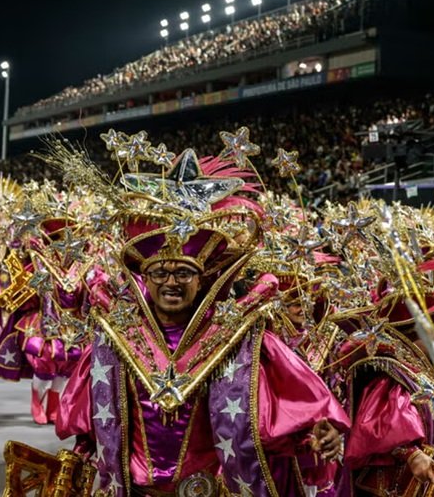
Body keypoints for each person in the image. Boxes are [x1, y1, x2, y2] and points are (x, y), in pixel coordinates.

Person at [55, 150, 350, 495]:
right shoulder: (113, 340)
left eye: (183, 272)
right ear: (144, 279)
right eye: (160, 272)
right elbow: (88, 428)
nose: (171, 282)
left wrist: (319, 428)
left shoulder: (240, 337)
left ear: (201, 278)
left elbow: (292, 406)